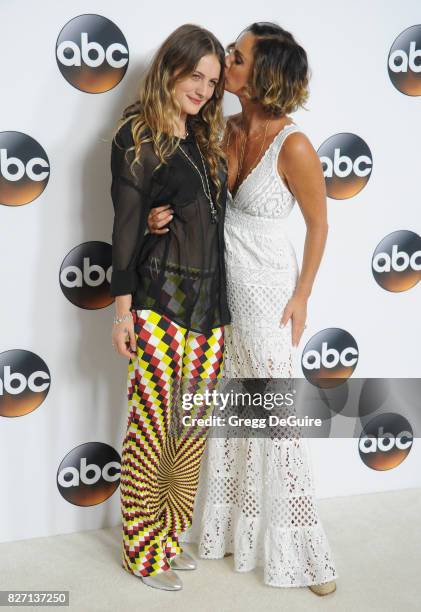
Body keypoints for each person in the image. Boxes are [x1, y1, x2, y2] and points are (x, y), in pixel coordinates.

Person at [147, 22, 338, 596]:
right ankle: (232, 534)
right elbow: (195, 200)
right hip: (215, 288)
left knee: (275, 423)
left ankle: (310, 558)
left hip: (265, 296)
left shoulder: (294, 145)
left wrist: (302, 294)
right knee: (229, 418)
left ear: (262, 74)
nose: (224, 61)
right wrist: (161, 217)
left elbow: (319, 223)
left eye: (235, 55)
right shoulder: (220, 128)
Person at [109, 23, 230, 592]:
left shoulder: (204, 136)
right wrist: (122, 312)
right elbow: (126, 228)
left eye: (212, 80)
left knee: (190, 432)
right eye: (194, 75)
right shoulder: (138, 136)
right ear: (171, 69)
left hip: (211, 308)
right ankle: (141, 549)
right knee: (152, 428)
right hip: (159, 303)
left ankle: (169, 536)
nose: (203, 88)